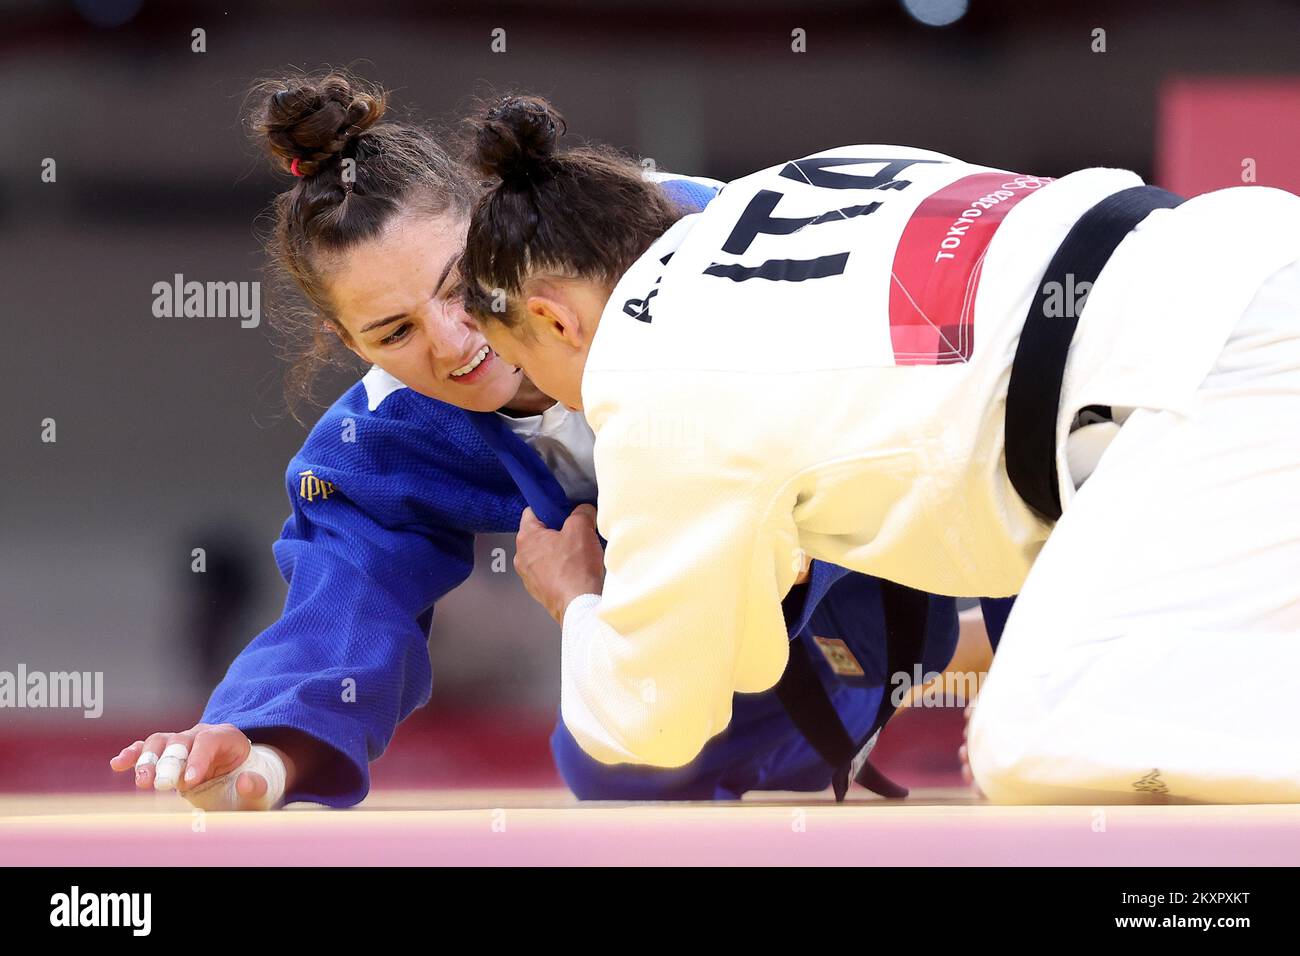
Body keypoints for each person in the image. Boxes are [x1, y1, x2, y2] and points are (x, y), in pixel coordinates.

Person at [109, 73, 1006, 809]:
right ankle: (941, 648)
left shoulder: (675, 240)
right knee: (608, 764)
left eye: (461, 286)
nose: (454, 343)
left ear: (491, 219)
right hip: (754, 625)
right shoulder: (387, 441)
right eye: (393, 333)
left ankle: (988, 635)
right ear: (348, 346)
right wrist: (260, 757)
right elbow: (343, 607)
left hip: (945, 492)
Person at [460, 94, 1300, 803]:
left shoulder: (647, 377)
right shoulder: (789, 185)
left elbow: (652, 714)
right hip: (1246, 251)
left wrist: (576, 600)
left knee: (1036, 738)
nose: (558, 404)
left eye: (533, 371)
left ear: (551, 317)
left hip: (1208, 381)